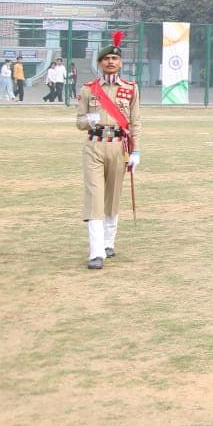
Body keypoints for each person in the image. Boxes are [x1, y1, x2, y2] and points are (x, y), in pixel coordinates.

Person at [75, 32, 141, 270]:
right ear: (100, 63)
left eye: (114, 58)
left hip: (119, 147)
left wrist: (136, 152)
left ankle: (108, 242)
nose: (111, 62)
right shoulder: (88, 89)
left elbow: (135, 123)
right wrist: (89, 120)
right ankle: (96, 252)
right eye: (106, 59)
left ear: (120, 62)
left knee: (112, 196)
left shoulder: (131, 88)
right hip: (94, 145)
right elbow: (79, 122)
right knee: (94, 197)